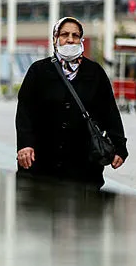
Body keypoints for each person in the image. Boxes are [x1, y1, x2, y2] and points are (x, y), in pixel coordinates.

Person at [15, 17, 128, 190]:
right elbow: (25, 111)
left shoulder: (94, 72)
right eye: (64, 34)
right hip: (42, 163)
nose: (70, 39)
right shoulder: (39, 71)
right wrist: (25, 145)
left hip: (83, 165)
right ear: (55, 38)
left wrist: (119, 146)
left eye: (75, 35)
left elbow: (110, 111)